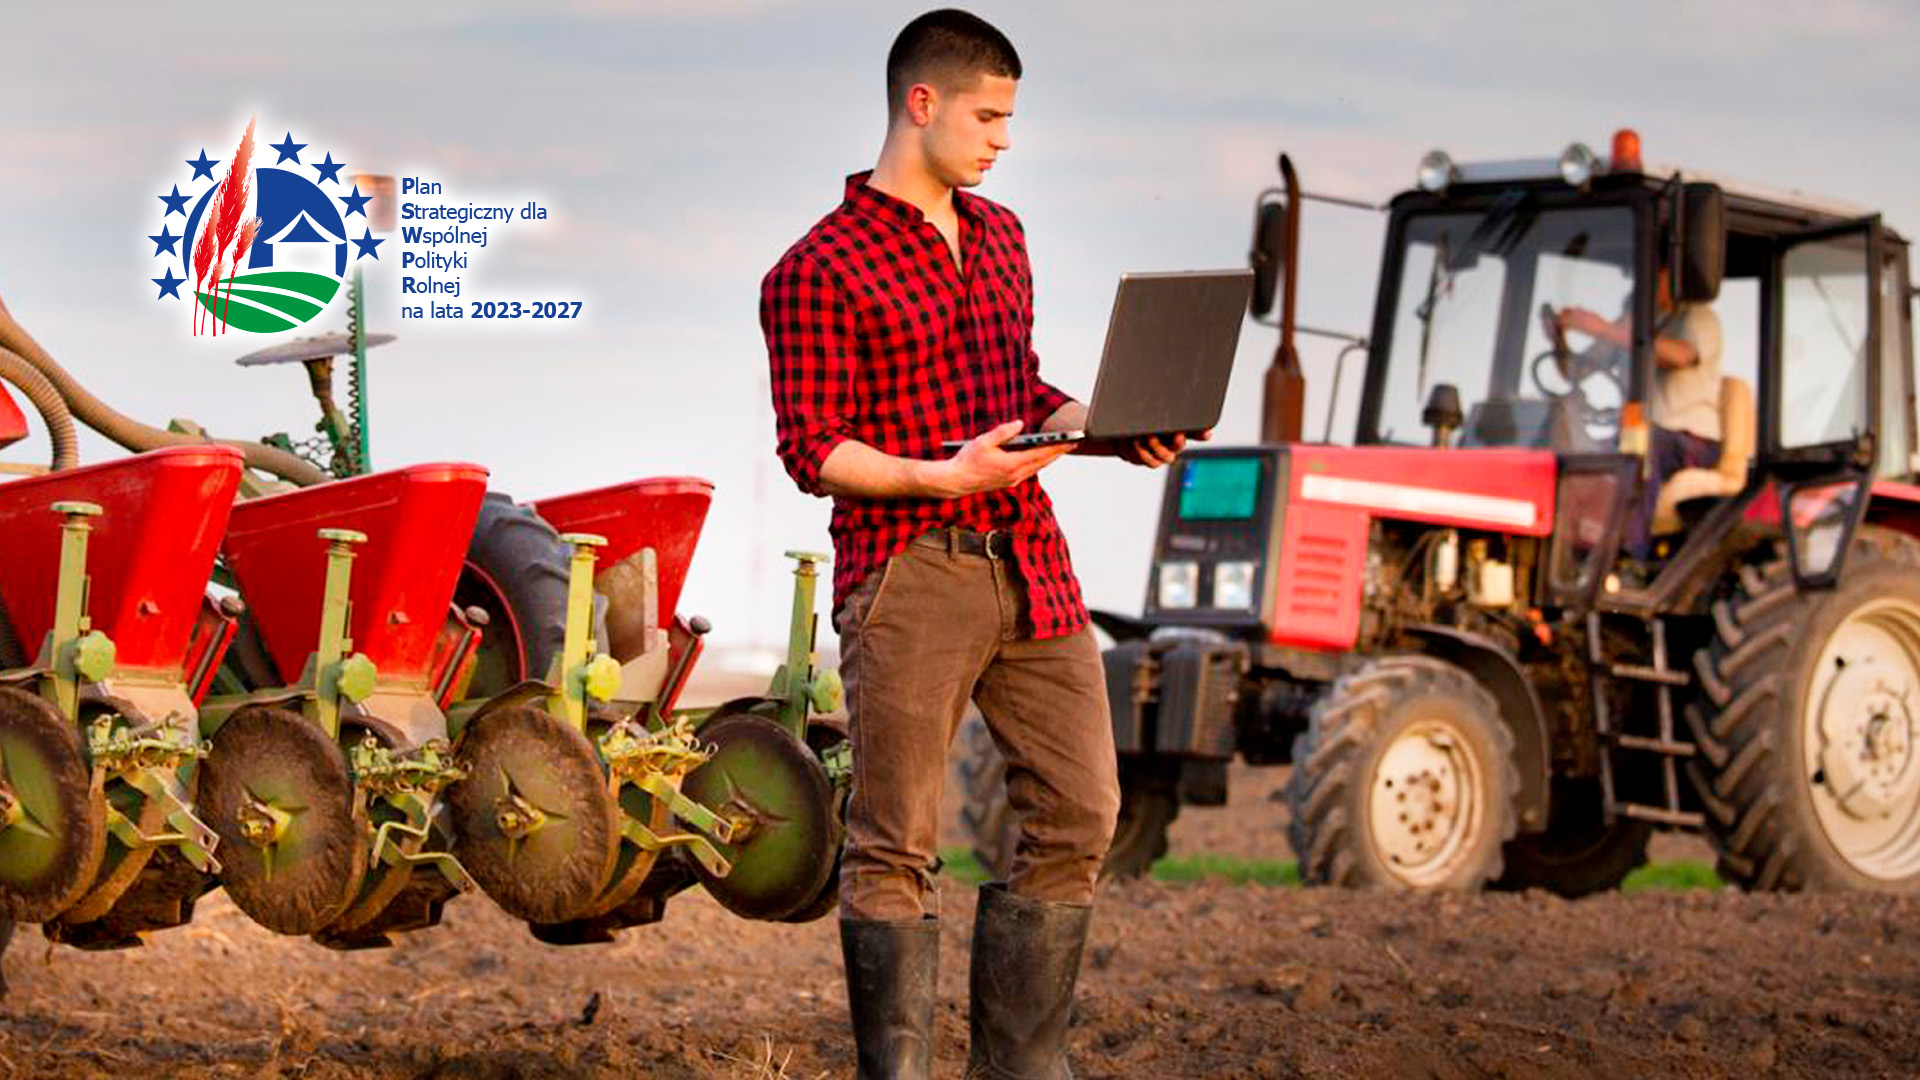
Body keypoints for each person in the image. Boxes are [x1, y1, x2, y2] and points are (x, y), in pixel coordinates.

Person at [759, 10, 1192, 1079]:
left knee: (1083, 809)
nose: (1004, 138)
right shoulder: (814, 268)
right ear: (923, 103)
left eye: (1010, 118)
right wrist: (938, 474)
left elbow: (1019, 395)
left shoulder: (1004, 237)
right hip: (910, 573)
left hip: (1032, 563)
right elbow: (812, 448)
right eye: (989, 116)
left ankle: (1019, 1065)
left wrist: (1105, 426)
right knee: (896, 841)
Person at [1557, 267, 1723, 559]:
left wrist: (1603, 328)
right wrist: (1559, 337)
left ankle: (1629, 554)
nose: (1641, 282)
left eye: (1651, 273)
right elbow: (1576, 371)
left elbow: (1680, 356)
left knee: (1640, 446)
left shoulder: (1697, 317)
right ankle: (1569, 548)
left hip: (1692, 440)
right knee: (1585, 450)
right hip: (1640, 432)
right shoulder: (1635, 321)